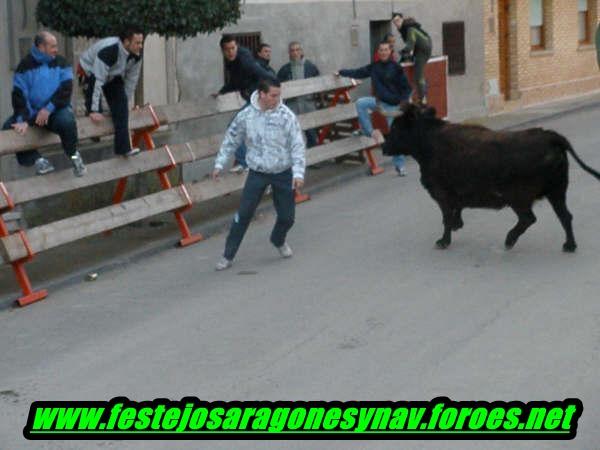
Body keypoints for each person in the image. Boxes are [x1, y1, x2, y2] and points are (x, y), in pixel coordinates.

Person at [212, 78, 306, 271]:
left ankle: (278, 239)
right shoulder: (246, 115)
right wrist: (220, 163)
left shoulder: (286, 116)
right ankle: (228, 255)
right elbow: (232, 138)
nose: (277, 98)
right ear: (262, 94)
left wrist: (298, 173)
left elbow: (297, 145)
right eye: (273, 95)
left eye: (278, 95)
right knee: (244, 214)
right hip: (258, 172)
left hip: (283, 171)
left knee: (287, 217)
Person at [2, 31, 86, 176]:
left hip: (55, 111)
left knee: (67, 120)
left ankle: (74, 156)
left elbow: (66, 90)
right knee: (9, 127)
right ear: (41, 47)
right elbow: (19, 96)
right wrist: (23, 119)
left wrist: (48, 109)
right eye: (53, 46)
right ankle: (38, 161)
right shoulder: (24, 66)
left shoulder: (61, 62)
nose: (56, 50)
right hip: (33, 113)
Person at [336, 41, 412, 176]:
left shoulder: (396, 68)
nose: (383, 52)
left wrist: (404, 102)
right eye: (381, 50)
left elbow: (407, 88)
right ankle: (371, 132)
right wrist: (341, 72)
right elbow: (358, 72)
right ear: (378, 52)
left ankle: (400, 166)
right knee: (360, 103)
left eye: (385, 50)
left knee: (395, 136)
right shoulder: (374, 67)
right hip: (378, 101)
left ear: (390, 52)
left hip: (392, 106)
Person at [78, 26, 144, 157]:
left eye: (141, 42)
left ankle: (123, 148)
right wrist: (94, 110)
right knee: (95, 110)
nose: (140, 46)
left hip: (113, 74)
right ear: (126, 42)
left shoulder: (137, 55)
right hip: (90, 71)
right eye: (137, 43)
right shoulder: (109, 50)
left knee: (121, 106)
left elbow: (131, 80)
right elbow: (97, 80)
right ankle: (91, 120)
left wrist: (124, 104)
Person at [216, 35, 278, 173]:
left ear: (237, 46)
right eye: (228, 49)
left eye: (233, 48)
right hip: (254, 97)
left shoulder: (245, 60)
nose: (231, 52)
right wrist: (222, 91)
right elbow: (235, 81)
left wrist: (273, 87)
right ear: (223, 51)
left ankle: (244, 162)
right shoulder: (232, 62)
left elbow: (262, 73)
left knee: (234, 126)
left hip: (257, 98)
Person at [277, 41, 321, 148]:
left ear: (301, 51)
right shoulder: (284, 70)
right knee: (292, 133)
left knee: (311, 132)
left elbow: (318, 84)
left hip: (308, 104)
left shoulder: (311, 67)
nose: (295, 53)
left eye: (297, 50)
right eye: (292, 50)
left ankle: (314, 158)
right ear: (289, 53)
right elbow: (278, 87)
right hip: (292, 105)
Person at [392, 12, 432, 105]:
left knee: (411, 31)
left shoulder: (409, 27)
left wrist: (406, 50)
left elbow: (411, 42)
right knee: (418, 73)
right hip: (419, 52)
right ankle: (421, 97)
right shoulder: (402, 30)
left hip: (425, 45)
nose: (396, 23)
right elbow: (410, 43)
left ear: (402, 19)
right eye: (394, 22)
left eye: (398, 20)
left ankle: (422, 98)